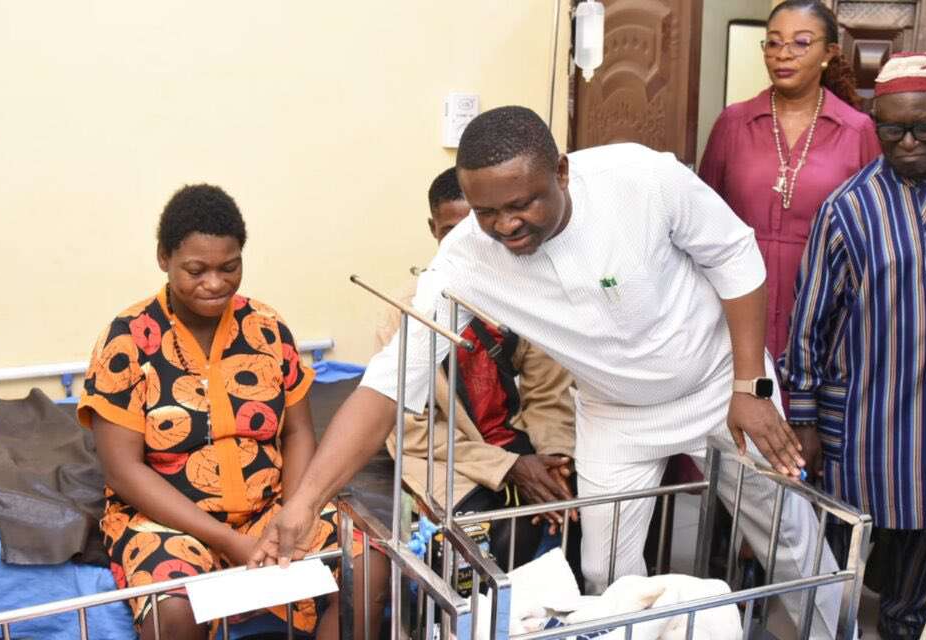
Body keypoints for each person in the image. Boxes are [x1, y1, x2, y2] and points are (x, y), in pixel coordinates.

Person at [252, 106, 843, 637]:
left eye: (522, 204)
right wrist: (304, 502)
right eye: (487, 212)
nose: (506, 226)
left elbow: (734, 255)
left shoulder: (641, 179)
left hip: (720, 384)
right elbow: (388, 384)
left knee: (788, 538)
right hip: (616, 414)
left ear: (561, 171)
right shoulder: (465, 260)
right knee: (606, 572)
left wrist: (750, 385)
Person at [77, 184, 386, 640]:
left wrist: (292, 514)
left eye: (229, 267)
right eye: (196, 270)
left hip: (271, 508)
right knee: (174, 611)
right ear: (163, 258)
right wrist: (229, 541)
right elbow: (123, 471)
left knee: (370, 565)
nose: (215, 283)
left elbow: (297, 433)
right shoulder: (127, 340)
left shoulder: (267, 328)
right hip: (168, 521)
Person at [779, 52, 926, 640]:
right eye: (893, 130)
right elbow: (809, 323)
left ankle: (902, 624)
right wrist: (805, 419)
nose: (908, 142)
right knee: (844, 550)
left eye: (923, 128)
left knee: (919, 556)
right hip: (866, 421)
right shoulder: (848, 208)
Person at [378, 167, 580, 574]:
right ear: (433, 230)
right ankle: (474, 610)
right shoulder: (407, 309)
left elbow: (548, 396)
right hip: (447, 454)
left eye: (475, 229)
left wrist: (555, 462)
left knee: (579, 507)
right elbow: (412, 431)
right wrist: (509, 468)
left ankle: (578, 604)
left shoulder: (524, 296)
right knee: (494, 534)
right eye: (451, 232)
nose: (466, 244)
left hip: (513, 441)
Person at [700, 0, 880, 389]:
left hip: (824, 313)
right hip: (737, 307)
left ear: (829, 53)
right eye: (773, 42)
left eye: (800, 43)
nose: (783, 54)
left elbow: (874, 232)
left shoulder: (857, 131)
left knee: (805, 421)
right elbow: (701, 221)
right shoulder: (733, 123)